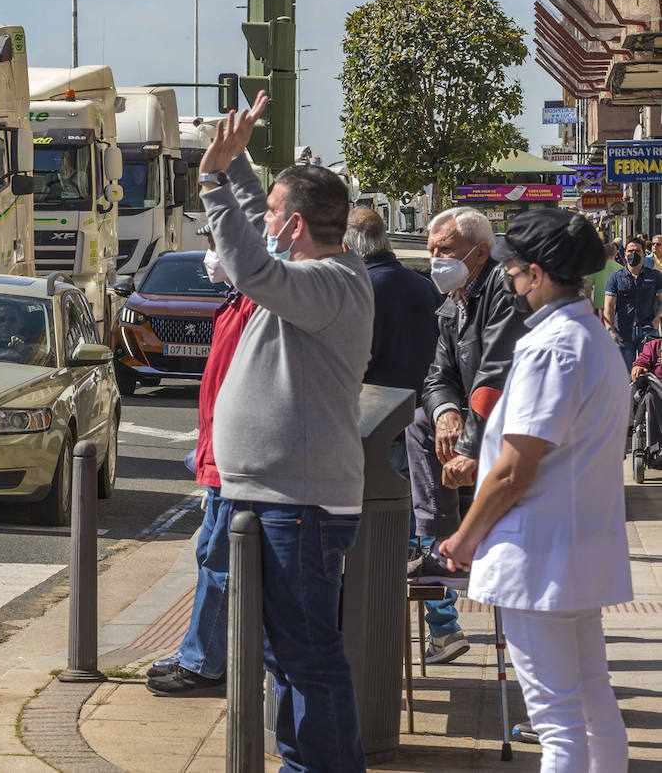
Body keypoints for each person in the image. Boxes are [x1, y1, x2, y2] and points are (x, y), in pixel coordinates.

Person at [198, 92, 374, 769]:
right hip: (279, 499)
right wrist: (238, 166)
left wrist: (214, 179)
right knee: (289, 658)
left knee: (308, 658)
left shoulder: (327, 283)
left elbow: (249, 263)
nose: (263, 221)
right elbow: (260, 219)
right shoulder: (316, 269)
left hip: (297, 506)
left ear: (296, 227)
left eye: (275, 215)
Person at [440, 209, 631, 772]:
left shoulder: (552, 347)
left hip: (539, 552)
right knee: (592, 699)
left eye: (515, 272)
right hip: (575, 545)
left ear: (539, 274)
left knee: (557, 722)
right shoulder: (590, 335)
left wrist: (465, 536)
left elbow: (513, 469)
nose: (510, 282)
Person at [345, 209, 469, 663]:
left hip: (374, 431)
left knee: (376, 535)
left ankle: (373, 632)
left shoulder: (358, 291)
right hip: (427, 424)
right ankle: (443, 624)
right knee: (423, 525)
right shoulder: (424, 287)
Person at [148, 234, 258, 695]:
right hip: (218, 456)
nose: (210, 252)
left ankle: (204, 662)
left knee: (221, 561)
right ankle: (201, 648)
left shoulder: (255, 303)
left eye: (217, 240)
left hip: (236, 460)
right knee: (208, 555)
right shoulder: (235, 300)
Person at [412, 207, 528, 588]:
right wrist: (446, 412)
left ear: (480, 251)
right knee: (421, 424)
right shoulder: (452, 303)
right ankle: (440, 541)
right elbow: (437, 375)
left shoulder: (502, 286)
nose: (436, 260)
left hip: (510, 416)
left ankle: (457, 546)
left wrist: (469, 446)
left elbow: (495, 372)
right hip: (474, 413)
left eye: (445, 249)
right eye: (431, 250)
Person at [604, 239, 662, 364]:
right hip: (623, 332)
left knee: (647, 372)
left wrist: (657, 319)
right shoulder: (615, 277)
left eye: (637, 251)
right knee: (625, 373)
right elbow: (608, 306)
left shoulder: (655, 276)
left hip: (648, 330)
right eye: (630, 251)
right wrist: (610, 329)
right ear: (624, 254)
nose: (633, 254)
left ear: (644, 255)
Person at [589, 241, 623, 320]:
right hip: (616, 306)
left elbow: (588, 287)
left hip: (601, 304)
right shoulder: (620, 268)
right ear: (616, 253)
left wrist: (591, 305)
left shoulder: (596, 267)